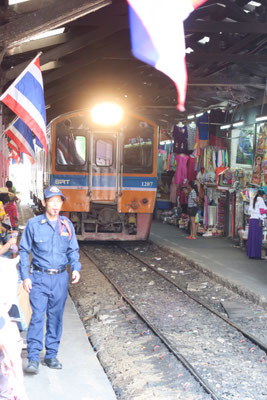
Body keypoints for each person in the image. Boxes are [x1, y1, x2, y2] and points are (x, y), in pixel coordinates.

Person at [19, 186, 81, 374]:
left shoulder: (67, 225)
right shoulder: (34, 224)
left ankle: (51, 355)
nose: (55, 205)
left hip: (60, 279)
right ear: (44, 203)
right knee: (37, 316)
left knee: (55, 318)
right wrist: (25, 276)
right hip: (38, 278)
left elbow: (73, 250)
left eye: (58, 201)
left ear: (62, 203)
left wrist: (76, 268)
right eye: (51, 201)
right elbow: (23, 250)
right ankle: (33, 357)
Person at [247, 189, 267, 259]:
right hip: (258, 220)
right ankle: (257, 255)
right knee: (257, 238)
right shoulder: (261, 200)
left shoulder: (253, 199)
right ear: (263, 195)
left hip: (252, 220)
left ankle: (251, 254)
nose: (265, 197)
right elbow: (262, 211)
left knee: (252, 237)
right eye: (265, 195)